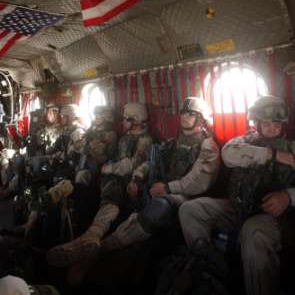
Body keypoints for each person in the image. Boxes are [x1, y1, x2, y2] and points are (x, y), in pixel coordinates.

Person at [179, 95, 295, 295]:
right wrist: (272, 155)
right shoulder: (246, 141)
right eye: (266, 124)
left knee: (253, 231)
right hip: (238, 208)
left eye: (276, 125)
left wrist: (287, 196)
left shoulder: (291, 148)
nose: (272, 130)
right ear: (256, 123)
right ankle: (209, 269)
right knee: (190, 209)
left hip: (274, 217)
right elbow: (228, 154)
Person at [96, 97, 220, 254]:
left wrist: (168, 188)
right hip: (166, 187)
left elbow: (198, 181)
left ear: (201, 119)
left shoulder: (208, 145)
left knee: (160, 205)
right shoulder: (175, 141)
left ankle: (109, 245)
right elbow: (152, 160)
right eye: (183, 112)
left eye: (190, 114)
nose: (184, 116)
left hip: (188, 196)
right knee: (132, 194)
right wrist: (137, 177)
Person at [47, 102, 152, 268]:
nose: (123, 122)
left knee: (111, 191)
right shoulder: (125, 137)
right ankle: (46, 209)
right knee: (76, 185)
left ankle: (91, 235)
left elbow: (134, 163)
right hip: (106, 174)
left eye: (126, 119)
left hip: (122, 179)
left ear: (137, 120)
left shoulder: (145, 140)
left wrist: (109, 167)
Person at [75, 105, 117, 187]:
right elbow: (79, 144)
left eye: (99, 115)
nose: (96, 117)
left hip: (100, 166)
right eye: (95, 115)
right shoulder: (92, 130)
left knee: (81, 176)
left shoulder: (110, 134)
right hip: (86, 162)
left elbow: (106, 155)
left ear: (106, 117)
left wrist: (89, 149)